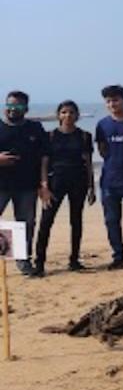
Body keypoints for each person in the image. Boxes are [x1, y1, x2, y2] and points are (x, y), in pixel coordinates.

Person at [32, 100, 94, 277]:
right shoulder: (50, 136)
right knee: (46, 222)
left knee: (76, 221)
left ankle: (74, 260)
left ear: (77, 115)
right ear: (58, 115)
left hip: (78, 182)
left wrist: (91, 187)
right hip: (55, 183)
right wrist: (43, 186)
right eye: (64, 112)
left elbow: (88, 163)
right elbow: (43, 162)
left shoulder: (84, 136)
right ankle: (39, 263)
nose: (68, 116)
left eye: (72, 112)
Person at [0, 91, 49, 275]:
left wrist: (44, 183)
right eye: (9, 106)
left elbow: (44, 157)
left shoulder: (35, 128)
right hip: (1, 185)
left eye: (17, 106)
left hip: (27, 185)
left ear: (26, 109)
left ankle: (23, 260)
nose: (12, 110)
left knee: (25, 224)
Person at [95, 84, 123, 270]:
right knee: (112, 220)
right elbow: (102, 149)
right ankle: (118, 256)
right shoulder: (102, 125)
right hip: (109, 180)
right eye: (108, 101)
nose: (112, 103)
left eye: (115, 100)